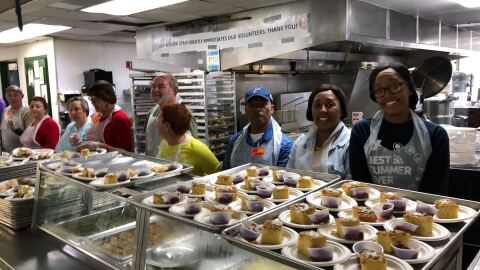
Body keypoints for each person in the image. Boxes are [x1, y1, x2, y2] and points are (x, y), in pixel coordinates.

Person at [349, 63, 450, 195]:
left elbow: (435, 192)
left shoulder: (435, 135)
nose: (387, 95)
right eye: (379, 90)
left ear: (410, 89)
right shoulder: (362, 132)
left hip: (420, 213)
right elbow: (361, 187)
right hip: (372, 212)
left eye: (395, 86)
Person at [287, 84, 350, 178]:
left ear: (341, 111)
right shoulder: (300, 143)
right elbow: (289, 177)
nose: (322, 110)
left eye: (329, 105)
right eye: (317, 105)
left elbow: (353, 185)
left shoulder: (351, 143)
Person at [222, 86, 293, 170]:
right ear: (245, 110)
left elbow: (282, 179)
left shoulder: (284, 144)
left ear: (272, 109)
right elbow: (225, 176)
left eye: (262, 104)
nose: (257, 109)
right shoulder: (234, 142)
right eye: (252, 105)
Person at [157, 104, 220, 176]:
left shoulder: (197, 148)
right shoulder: (164, 143)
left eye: (159, 119)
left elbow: (220, 174)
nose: (157, 122)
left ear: (167, 126)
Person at [145, 73, 197, 157]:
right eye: (153, 87)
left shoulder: (183, 115)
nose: (155, 90)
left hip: (175, 166)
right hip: (154, 167)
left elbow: (193, 147)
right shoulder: (151, 113)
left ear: (175, 90)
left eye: (161, 87)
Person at [77, 80, 133, 152]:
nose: (93, 103)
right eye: (91, 99)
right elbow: (92, 138)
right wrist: (81, 141)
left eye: (96, 100)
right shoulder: (97, 115)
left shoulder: (119, 119)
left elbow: (126, 151)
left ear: (107, 98)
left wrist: (101, 146)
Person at [0, 85, 32, 152]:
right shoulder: (6, 110)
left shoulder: (27, 112)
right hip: (6, 152)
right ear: (6, 97)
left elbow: (30, 136)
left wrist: (15, 129)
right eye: (9, 95)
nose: (12, 98)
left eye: (15, 95)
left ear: (22, 96)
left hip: (21, 153)